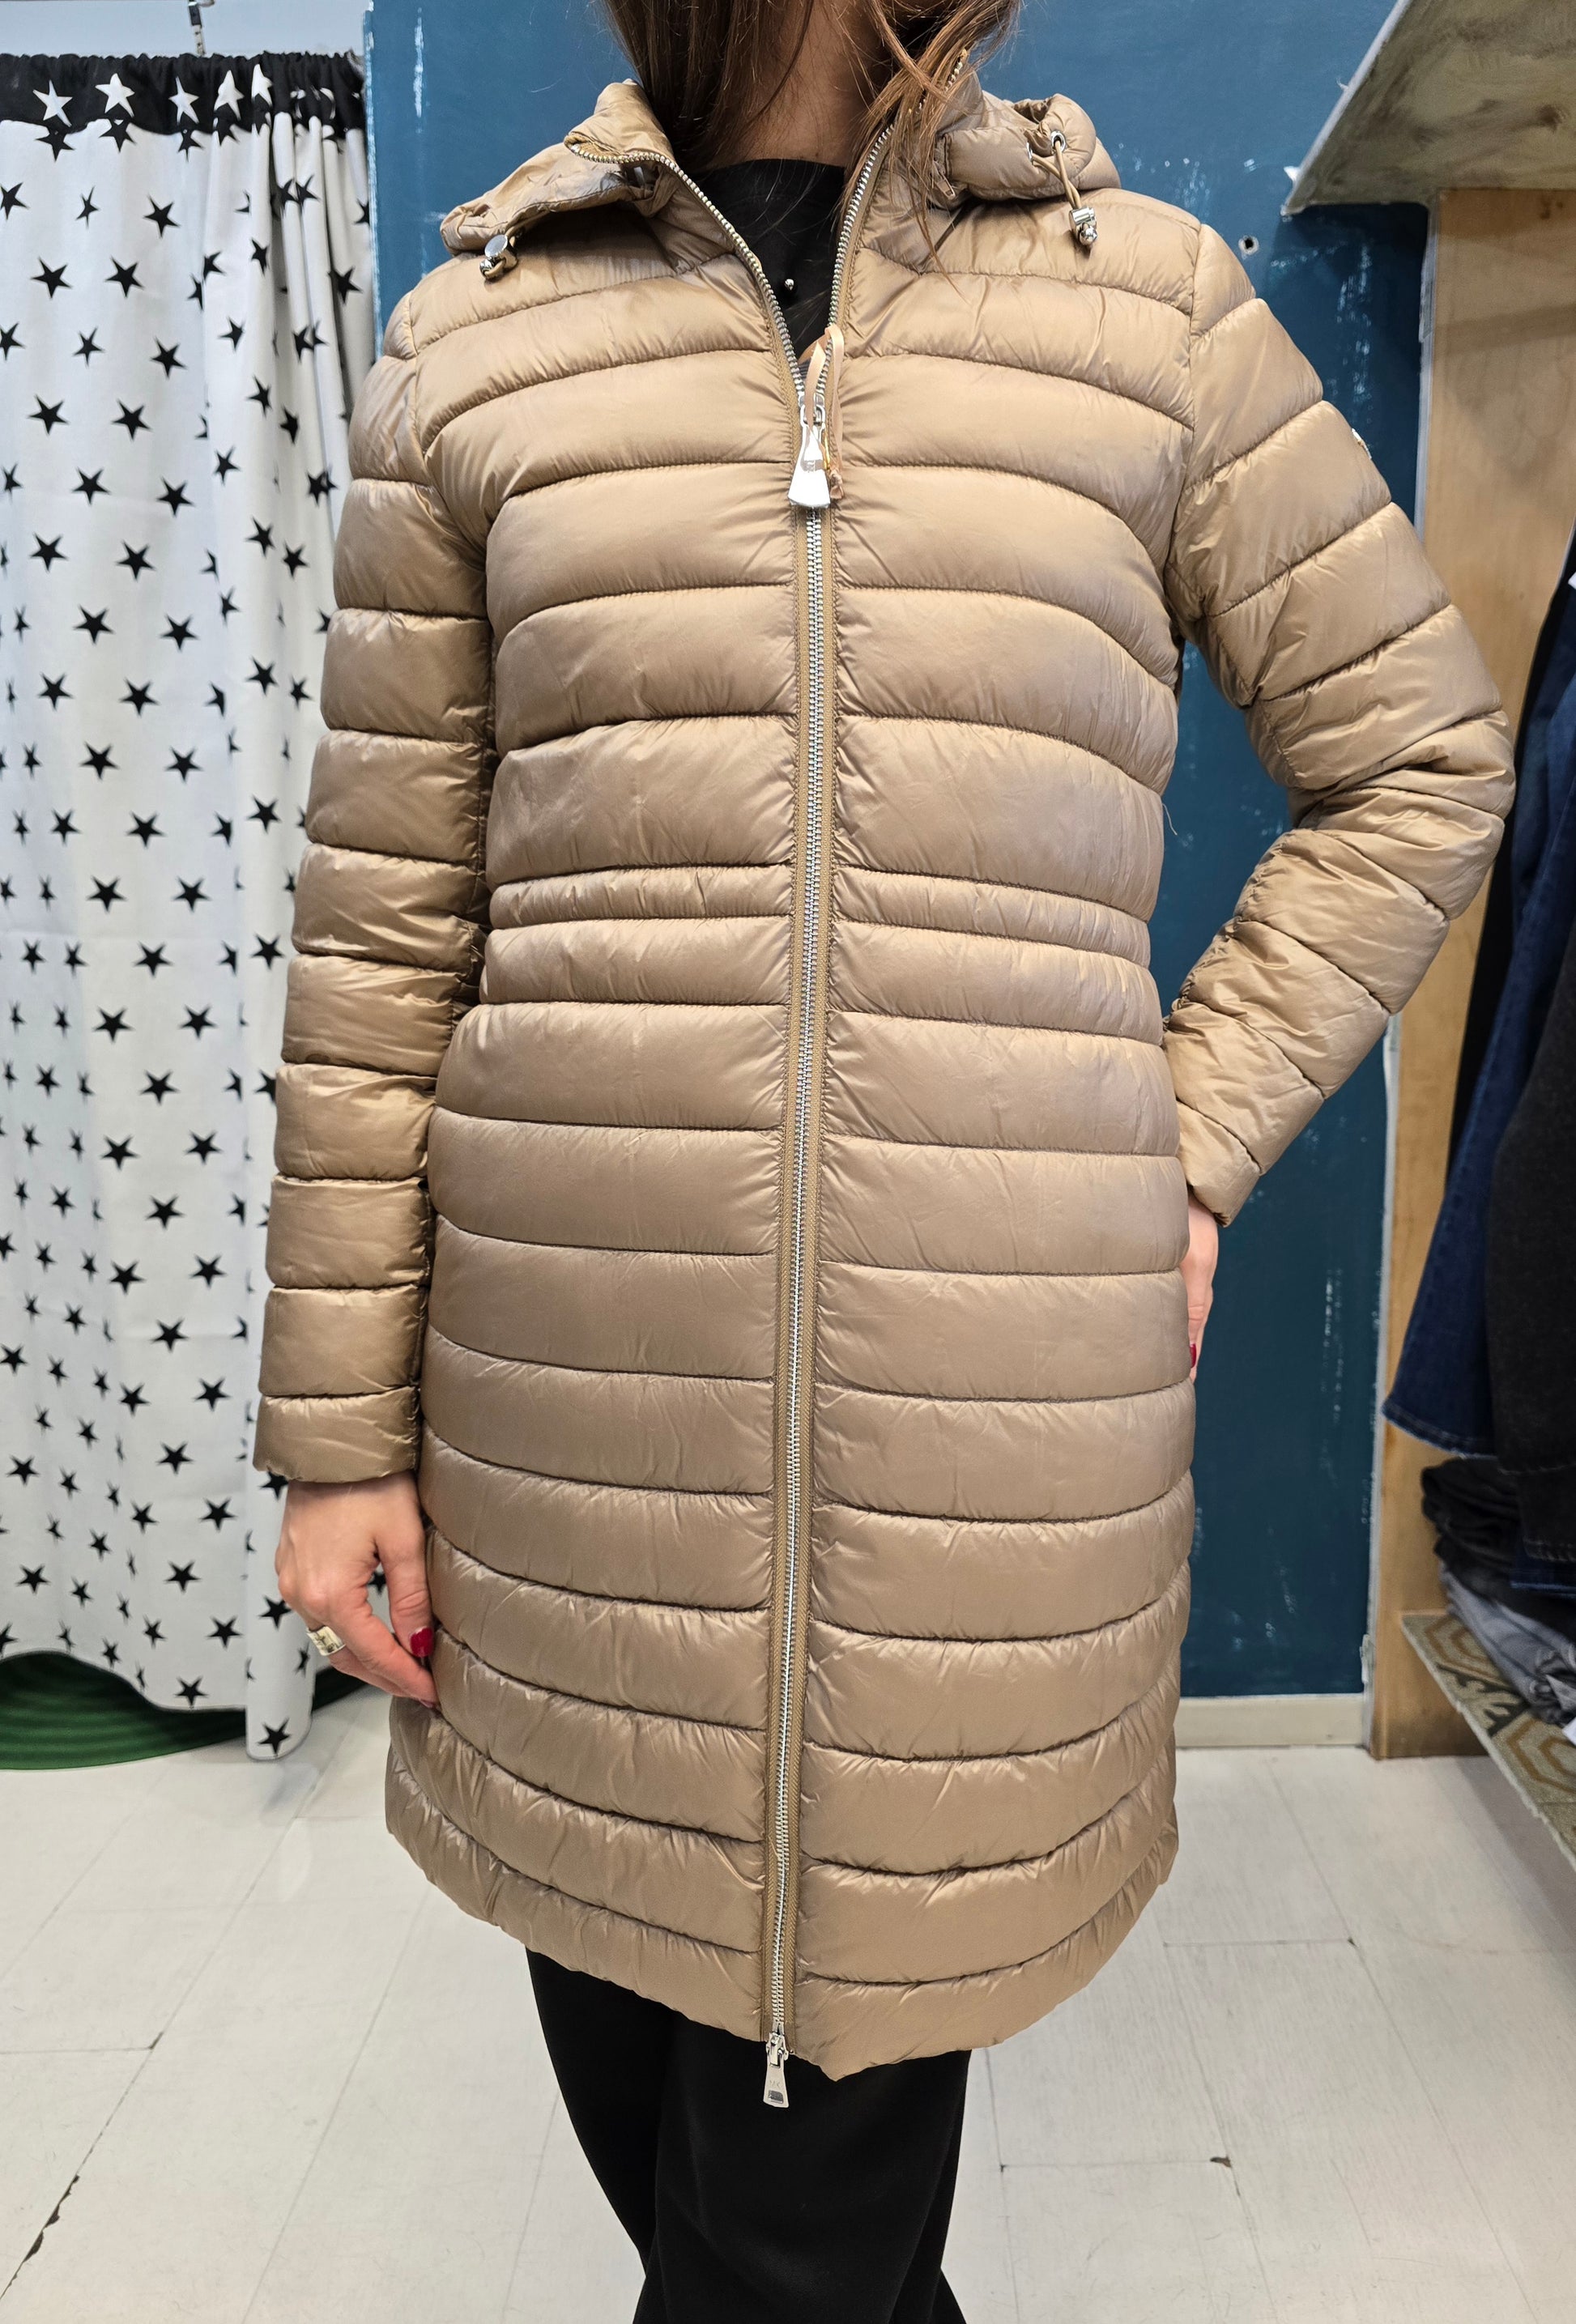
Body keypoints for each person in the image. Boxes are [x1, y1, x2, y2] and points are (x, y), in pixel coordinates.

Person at [258, 1, 1514, 2314]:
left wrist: (1183, 1134)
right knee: (666, 2125)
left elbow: (1418, 759)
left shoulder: (1145, 311)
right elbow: (385, 931)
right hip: (568, 1436)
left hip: (977, 1444)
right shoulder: (479, 342)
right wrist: (339, 1434)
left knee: (789, 2238)